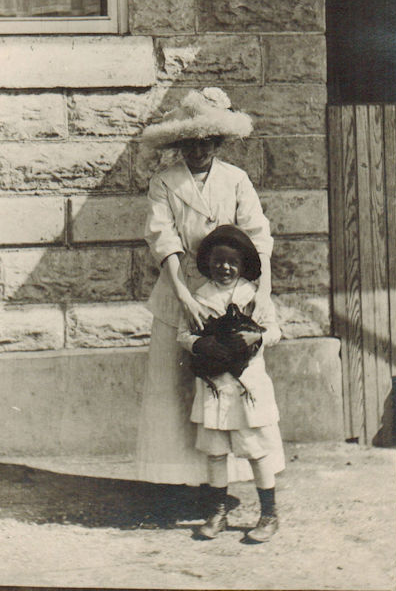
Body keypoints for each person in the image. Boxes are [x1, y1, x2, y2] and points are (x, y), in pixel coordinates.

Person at [136, 86, 274, 491]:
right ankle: (176, 481)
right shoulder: (164, 182)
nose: (198, 150)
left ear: (218, 142)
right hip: (181, 291)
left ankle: (228, 480)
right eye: (190, 142)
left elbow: (257, 235)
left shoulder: (236, 180)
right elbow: (164, 239)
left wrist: (259, 291)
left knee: (230, 382)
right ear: (180, 143)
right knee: (175, 386)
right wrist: (182, 294)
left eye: (207, 142)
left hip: (230, 291)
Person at [177, 224, 284, 542]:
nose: (224, 267)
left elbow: (274, 331)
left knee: (256, 450)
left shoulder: (254, 296)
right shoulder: (199, 298)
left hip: (246, 386)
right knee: (215, 451)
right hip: (213, 385)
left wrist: (257, 336)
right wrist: (198, 345)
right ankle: (218, 512)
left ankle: (269, 514)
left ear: (243, 265)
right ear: (207, 262)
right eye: (217, 261)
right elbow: (183, 334)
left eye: (232, 263)